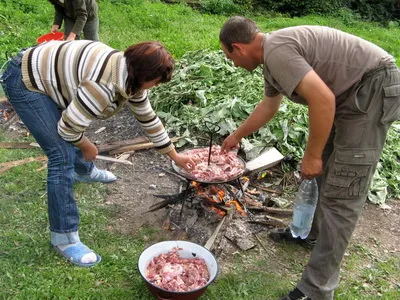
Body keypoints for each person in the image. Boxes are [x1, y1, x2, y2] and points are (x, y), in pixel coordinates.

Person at [219, 16, 400, 300]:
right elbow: (269, 106)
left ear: (238, 47)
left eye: (229, 56)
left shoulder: (277, 51)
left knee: (343, 193)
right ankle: (310, 233)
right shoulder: (271, 57)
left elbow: (323, 100)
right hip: (350, 93)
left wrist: (312, 155)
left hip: (371, 88)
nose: (232, 63)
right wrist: (236, 136)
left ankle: (316, 291)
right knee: (326, 173)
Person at [0, 40, 195, 267]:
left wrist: (175, 156)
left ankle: (83, 172)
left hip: (49, 73)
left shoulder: (130, 75)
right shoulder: (102, 85)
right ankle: (64, 239)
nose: (156, 86)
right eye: (155, 81)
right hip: (26, 80)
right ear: (142, 74)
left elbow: (148, 118)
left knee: (77, 126)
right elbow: (67, 128)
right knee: (61, 155)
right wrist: (86, 146)